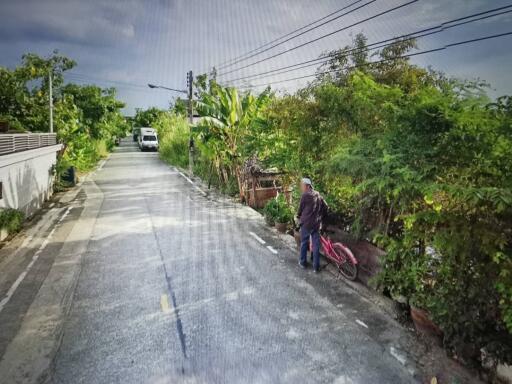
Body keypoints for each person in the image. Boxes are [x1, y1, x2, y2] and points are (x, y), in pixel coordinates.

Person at [297, 177, 328, 272]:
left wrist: (298, 216)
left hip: (306, 223)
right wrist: (321, 216)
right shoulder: (317, 194)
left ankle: (302, 263)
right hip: (316, 224)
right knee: (316, 245)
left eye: (302, 185)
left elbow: (300, 209)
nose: (301, 187)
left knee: (304, 243)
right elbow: (326, 207)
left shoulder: (305, 195)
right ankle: (316, 267)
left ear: (307, 186)